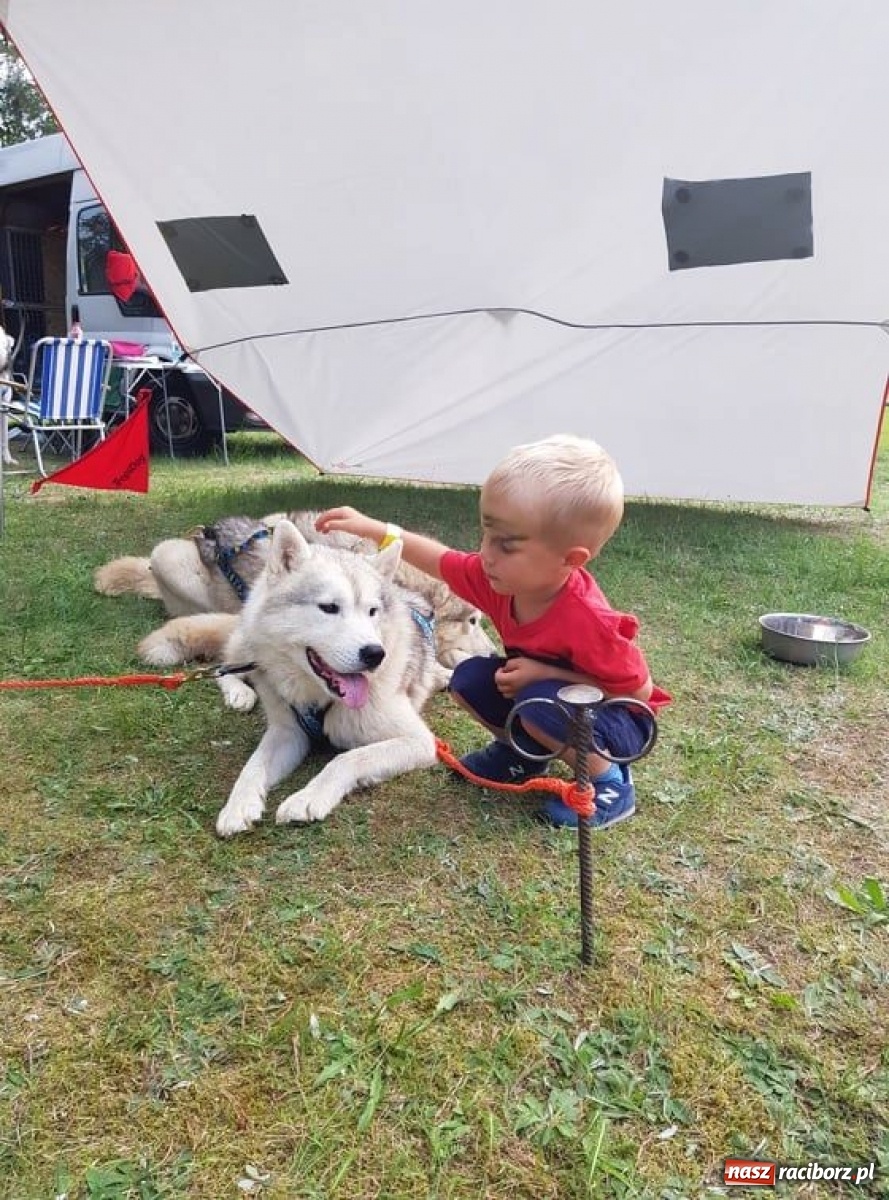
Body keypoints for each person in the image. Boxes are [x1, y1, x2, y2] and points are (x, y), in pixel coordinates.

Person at [315, 433, 671, 829]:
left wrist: (550, 675)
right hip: (547, 702)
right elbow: (440, 560)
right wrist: (376, 529)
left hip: (617, 722)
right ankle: (521, 754)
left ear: (569, 560)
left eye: (506, 544)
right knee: (468, 678)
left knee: (538, 700)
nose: (485, 553)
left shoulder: (588, 619)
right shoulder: (498, 580)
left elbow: (637, 693)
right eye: (486, 535)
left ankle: (609, 783)